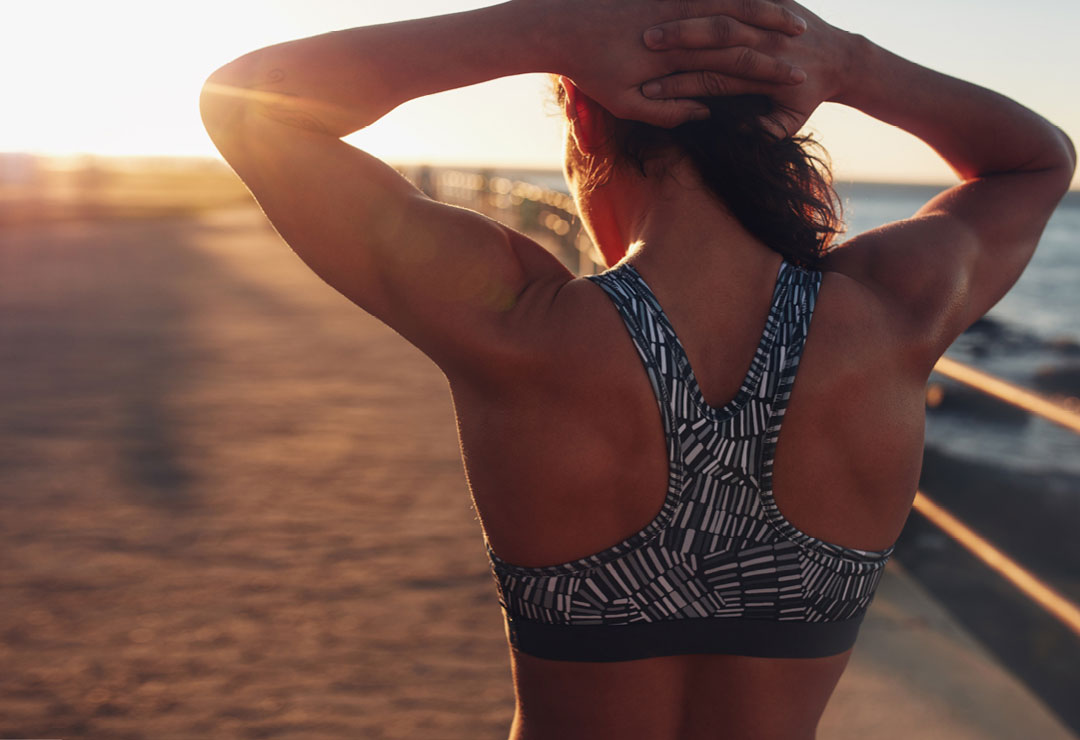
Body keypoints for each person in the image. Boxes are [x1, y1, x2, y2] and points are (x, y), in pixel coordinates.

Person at [199, 0, 1076, 737]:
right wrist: (852, 63)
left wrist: (546, 29)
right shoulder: (890, 314)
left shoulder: (518, 327)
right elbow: (1035, 161)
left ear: (584, 124)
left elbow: (252, 107)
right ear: (784, 121)